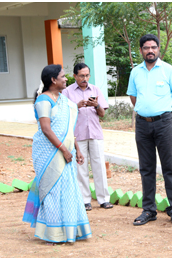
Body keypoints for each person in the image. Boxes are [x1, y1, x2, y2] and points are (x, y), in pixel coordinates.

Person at [23, 64, 92, 244]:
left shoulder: (64, 101)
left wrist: (75, 149)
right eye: (62, 76)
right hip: (48, 153)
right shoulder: (43, 101)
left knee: (68, 191)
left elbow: (68, 129)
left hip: (66, 151)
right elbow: (46, 129)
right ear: (53, 80)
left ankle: (70, 230)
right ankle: (54, 233)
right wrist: (64, 150)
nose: (66, 79)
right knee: (53, 191)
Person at [127, 34, 172, 226]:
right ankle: (149, 210)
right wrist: (145, 112)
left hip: (164, 123)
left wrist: (169, 116)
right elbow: (134, 98)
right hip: (143, 125)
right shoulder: (135, 72)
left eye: (153, 47)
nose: (150, 50)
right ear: (141, 50)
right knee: (146, 168)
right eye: (146, 47)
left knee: (170, 167)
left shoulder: (168, 70)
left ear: (158, 49)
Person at [62, 63, 113, 211]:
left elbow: (103, 114)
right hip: (78, 136)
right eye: (82, 76)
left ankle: (104, 199)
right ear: (75, 76)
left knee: (99, 167)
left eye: (87, 75)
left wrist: (97, 105)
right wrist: (76, 106)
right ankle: (85, 200)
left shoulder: (95, 89)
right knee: (81, 168)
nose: (85, 78)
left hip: (95, 134)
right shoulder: (67, 92)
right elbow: (64, 114)